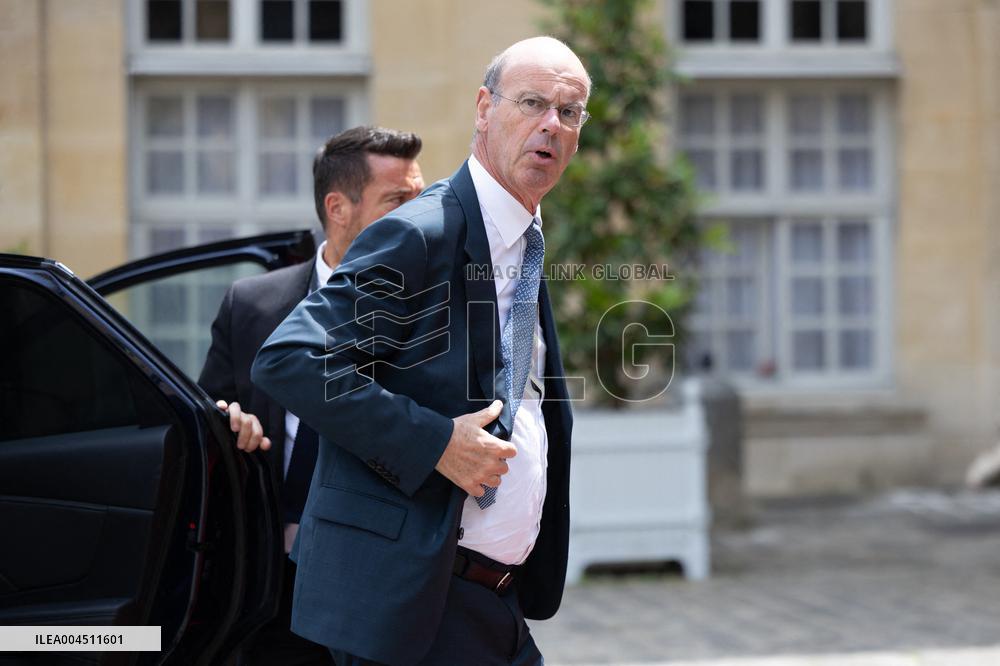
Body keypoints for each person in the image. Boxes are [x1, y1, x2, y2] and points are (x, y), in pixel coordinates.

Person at [251, 36, 589, 665]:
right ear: (484, 109)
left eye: (569, 113)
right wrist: (436, 444)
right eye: (533, 103)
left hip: (494, 602)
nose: (551, 124)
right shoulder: (420, 232)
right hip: (416, 607)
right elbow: (291, 358)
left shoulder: (522, 237)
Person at [198, 125, 425, 665]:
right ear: (338, 207)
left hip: (376, 581)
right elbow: (205, 414)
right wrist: (230, 421)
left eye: (423, 199)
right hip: (264, 578)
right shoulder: (251, 305)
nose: (419, 217)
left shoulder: (432, 314)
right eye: (398, 200)